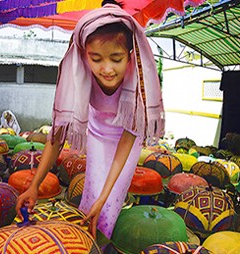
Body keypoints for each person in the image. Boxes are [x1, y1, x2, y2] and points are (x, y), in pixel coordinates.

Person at [15, 1, 165, 242]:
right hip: (96, 134)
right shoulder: (79, 74)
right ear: (85, 56)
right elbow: (57, 136)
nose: (106, 69)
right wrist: (34, 185)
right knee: (90, 197)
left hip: (127, 142)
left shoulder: (138, 81)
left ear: (130, 56)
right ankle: (84, 243)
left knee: (107, 206)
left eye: (116, 59)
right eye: (96, 59)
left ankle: (98, 243)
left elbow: (127, 141)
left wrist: (103, 199)